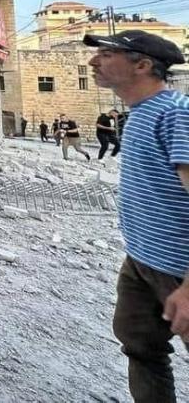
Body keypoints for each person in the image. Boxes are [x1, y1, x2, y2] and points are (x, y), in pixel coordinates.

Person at [85, 29, 189, 402]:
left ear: (142, 65)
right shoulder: (141, 114)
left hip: (180, 268)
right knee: (139, 343)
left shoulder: (175, 114)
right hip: (143, 260)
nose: (93, 61)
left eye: (106, 55)